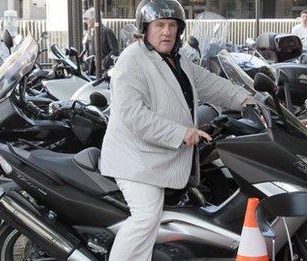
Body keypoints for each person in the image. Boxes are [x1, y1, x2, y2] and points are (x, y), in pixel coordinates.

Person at [100, 0, 252, 260]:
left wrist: (248, 99)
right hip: (136, 159)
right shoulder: (132, 60)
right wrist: (181, 133)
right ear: (145, 29)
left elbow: (210, 83)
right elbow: (133, 116)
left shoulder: (177, 59)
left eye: (172, 25)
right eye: (159, 25)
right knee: (146, 216)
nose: (166, 32)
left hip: (161, 157)